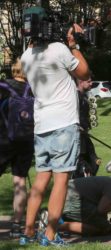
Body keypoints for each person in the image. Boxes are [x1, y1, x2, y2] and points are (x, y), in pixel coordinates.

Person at [19, 23, 90, 246]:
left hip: (42, 125)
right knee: (61, 180)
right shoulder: (60, 49)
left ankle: (28, 232)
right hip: (64, 124)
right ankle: (49, 235)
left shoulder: (25, 56)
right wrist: (74, 44)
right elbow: (84, 72)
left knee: (41, 179)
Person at [0, 58, 34, 237]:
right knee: (19, 182)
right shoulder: (33, 89)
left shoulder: (3, 86)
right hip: (26, 142)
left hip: (4, 140)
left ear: (13, 69)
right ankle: (15, 227)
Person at [52, 170, 111, 236]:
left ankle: (56, 218)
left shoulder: (110, 181)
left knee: (101, 221)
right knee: (104, 228)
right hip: (72, 200)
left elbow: (100, 209)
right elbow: (101, 210)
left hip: (64, 195)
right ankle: (55, 225)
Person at [74, 78, 101, 177]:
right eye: (88, 81)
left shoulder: (84, 95)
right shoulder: (75, 96)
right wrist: (77, 126)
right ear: (81, 82)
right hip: (77, 135)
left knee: (93, 159)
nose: (91, 83)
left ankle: (88, 179)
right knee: (82, 160)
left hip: (84, 134)